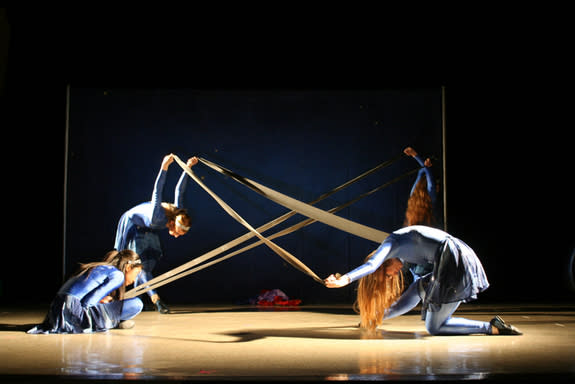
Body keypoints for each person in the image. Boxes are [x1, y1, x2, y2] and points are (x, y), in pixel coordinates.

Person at [324, 225, 522, 336]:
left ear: (385, 263)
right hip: (452, 259)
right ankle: (376, 318)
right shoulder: (408, 259)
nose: (393, 276)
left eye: (387, 274)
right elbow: (413, 297)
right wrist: (373, 319)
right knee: (419, 288)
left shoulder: (391, 243)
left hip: (454, 259)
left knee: (434, 327)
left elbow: (371, 266)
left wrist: (345, 279)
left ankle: (491, 327)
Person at [114, 154, 198, 314]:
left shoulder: (177, 211)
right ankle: (156, 299)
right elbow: (157, 190)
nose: (175, 235)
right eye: (176, 232)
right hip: (132, 225)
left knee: (148, 263)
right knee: (138, 266)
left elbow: (179, 189)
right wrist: (164, 166)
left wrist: (188, 167)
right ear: (172, 224)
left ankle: (135, 298)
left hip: (147, 229)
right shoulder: (156, 216)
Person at [28, 250, 144, 334]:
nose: (135, 279)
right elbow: (88, 303)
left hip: (56, 312)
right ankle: (114, 322)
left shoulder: (98, 267)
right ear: (128, 267)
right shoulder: (118, 275)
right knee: (136, 304)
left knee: (111, 306)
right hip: (74, 312)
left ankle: (113, 320)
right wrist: (99, 302)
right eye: (136, 273)